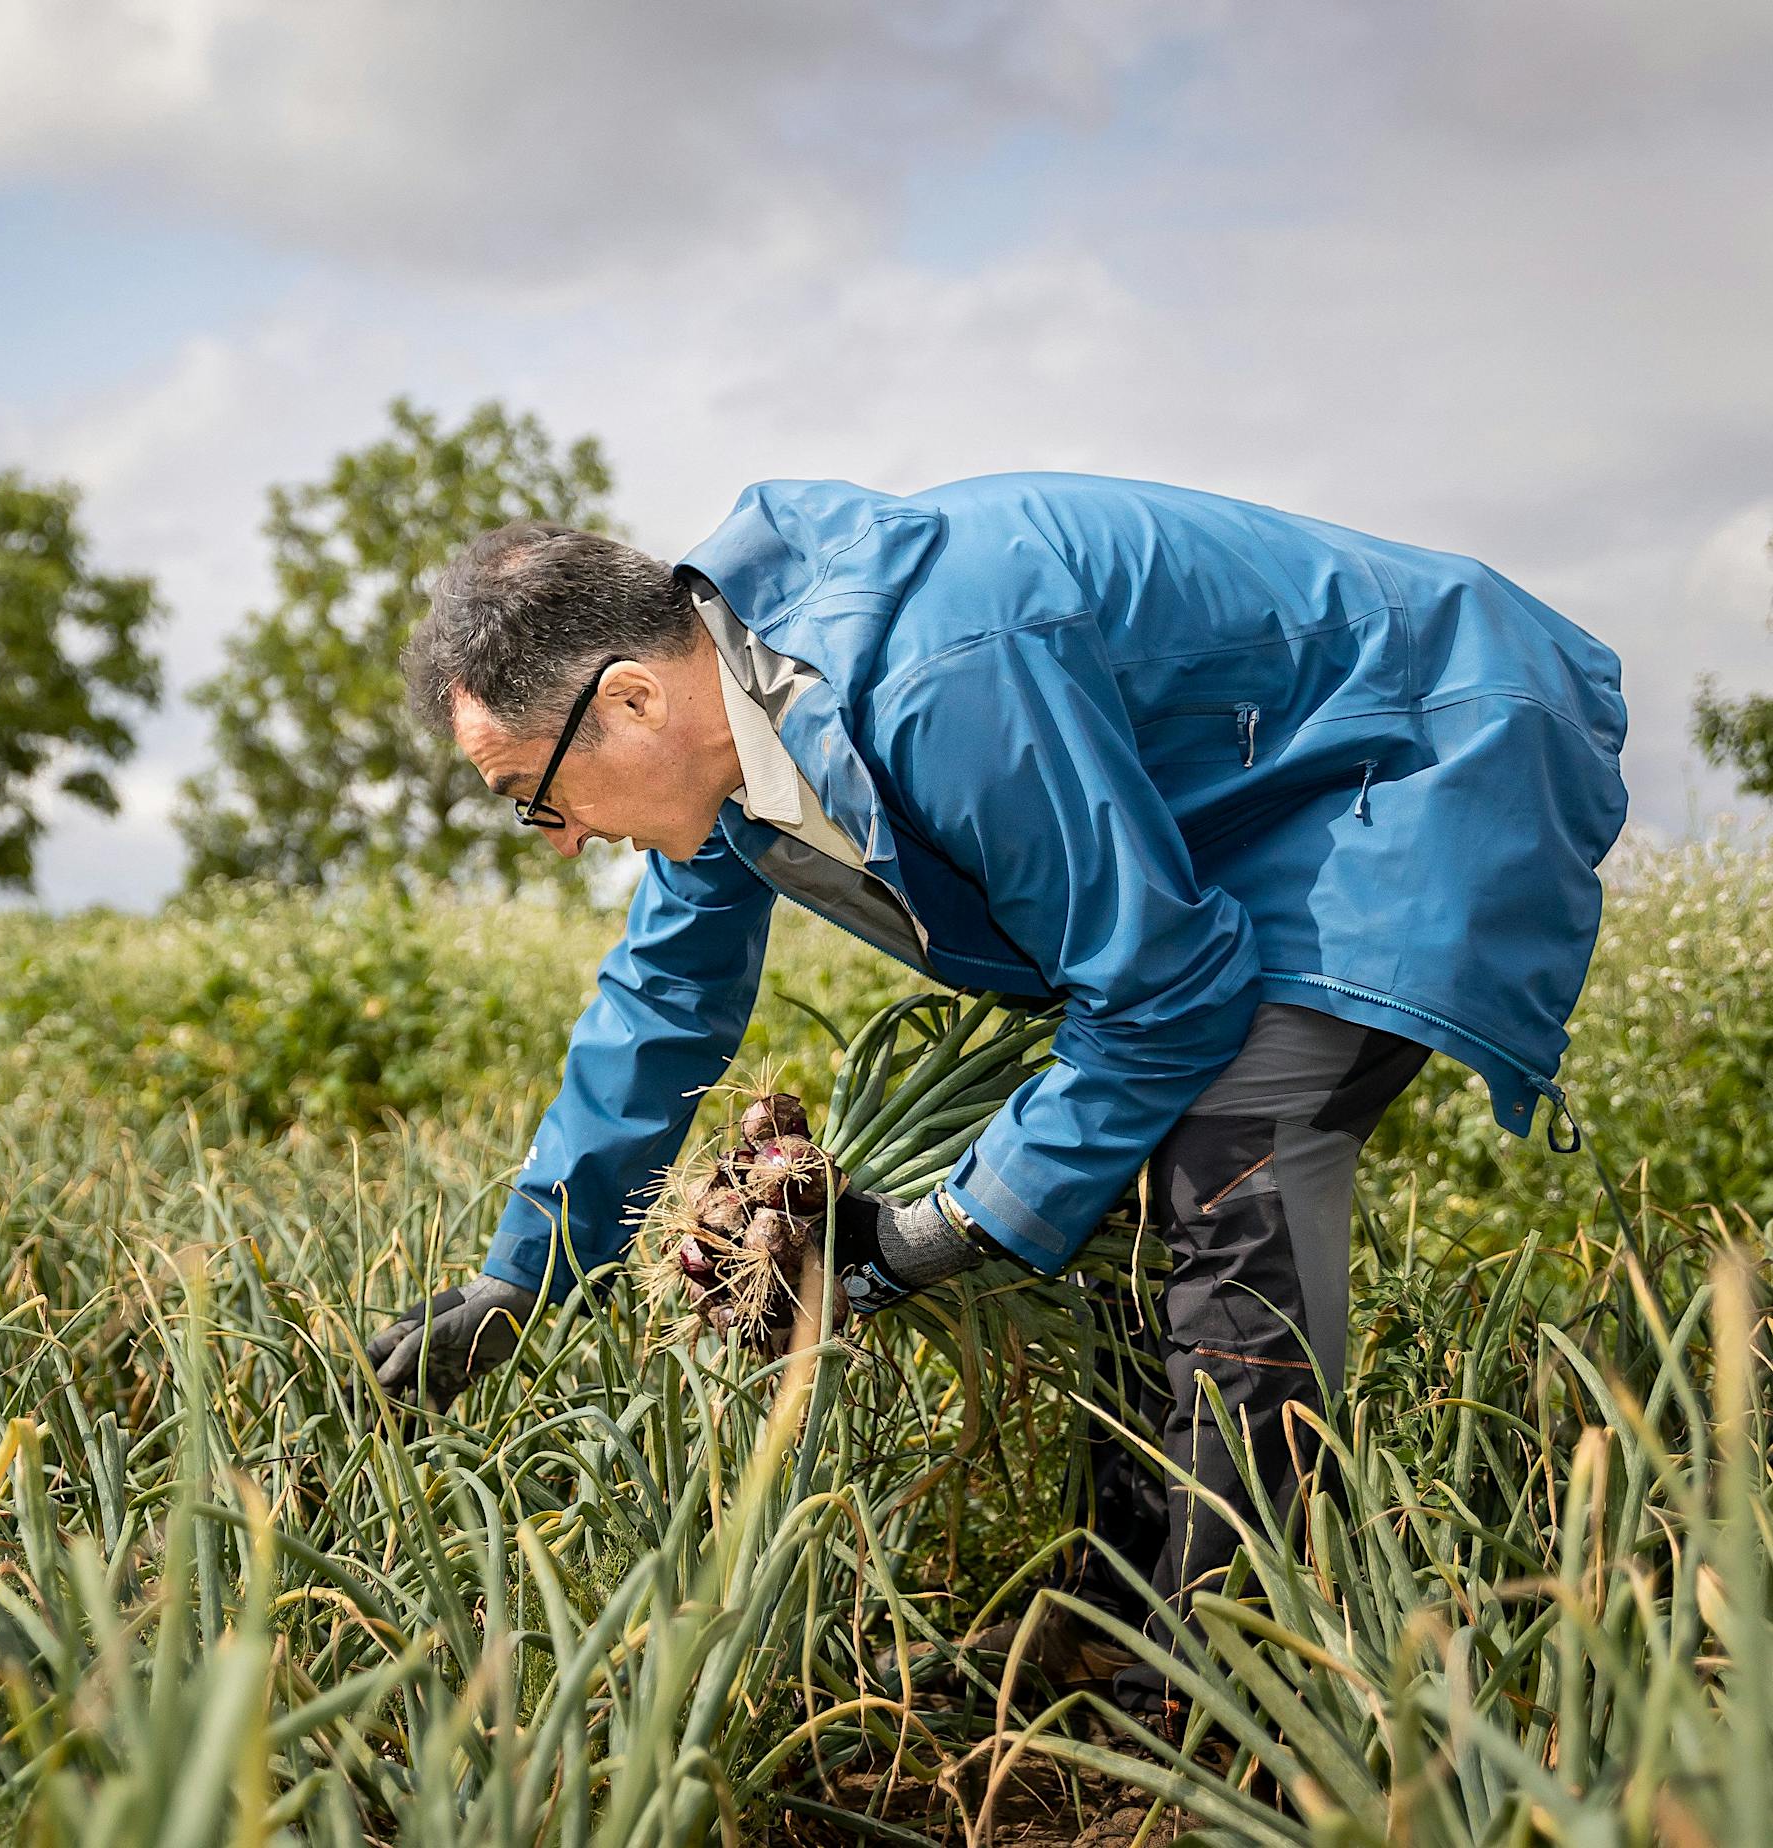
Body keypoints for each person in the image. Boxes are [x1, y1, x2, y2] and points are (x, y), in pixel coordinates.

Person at [365, 472, 1627, 1721]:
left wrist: (933, 1230)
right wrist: (521, 1278)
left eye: (533, 791)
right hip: (1250, 809)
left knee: (1226, 1157)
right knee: (1128, 1189)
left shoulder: (927, 673)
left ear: (630, 698)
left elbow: (1160, 993)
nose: (556, 835)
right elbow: (660, 1005)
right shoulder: (724, 736)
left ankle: (1230, 1689)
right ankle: (1117, 1620)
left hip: (1415, 747)